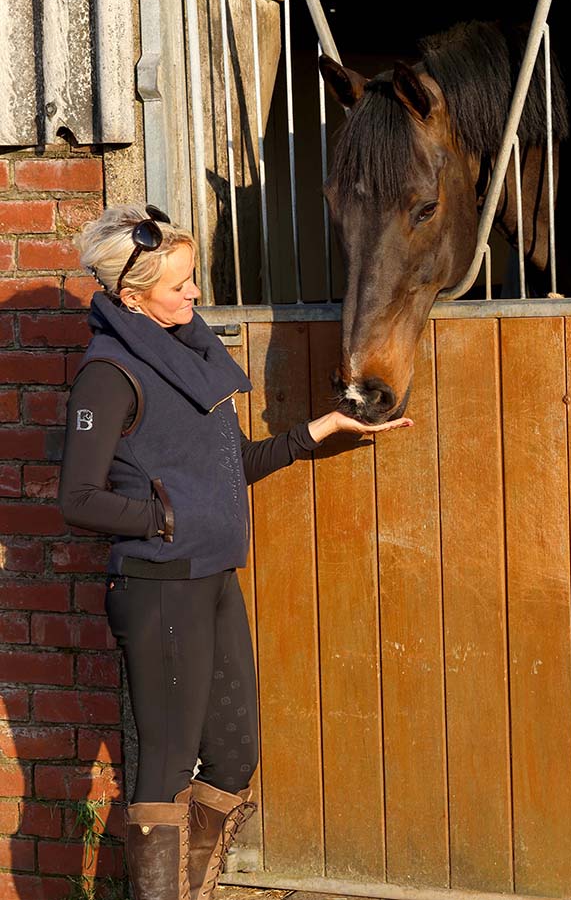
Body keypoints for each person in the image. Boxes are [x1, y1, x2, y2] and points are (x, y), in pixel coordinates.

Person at [58, 203, 413, 900]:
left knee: (232, 756)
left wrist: (316, 432)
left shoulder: (189, 353)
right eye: (179, 285)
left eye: (193, 277)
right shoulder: (110, 373)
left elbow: (228, 466)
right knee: (166, 768)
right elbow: (77, 498)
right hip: (159, 584)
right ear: (132, 297)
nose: (195, 293)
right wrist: (163, 519)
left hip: (212, 575)